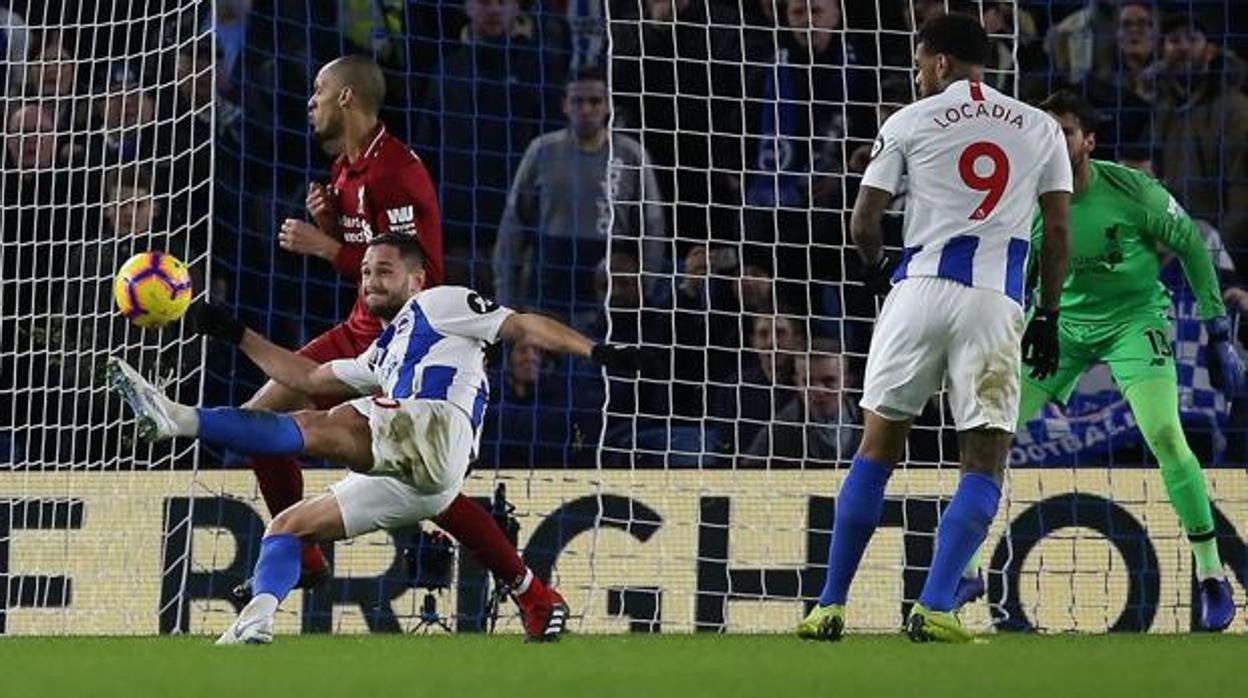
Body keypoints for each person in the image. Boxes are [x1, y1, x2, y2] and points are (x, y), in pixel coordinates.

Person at [108, 234, 643, 643]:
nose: (370, 280)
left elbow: (523, 325)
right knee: (290, 524)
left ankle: (178, 419)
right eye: (364, 272)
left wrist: (594, 352)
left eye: (384, 270)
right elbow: (307, 378)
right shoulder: (383, 352)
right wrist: (234, 332)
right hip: (427, 476)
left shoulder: (439, 304)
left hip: (437, 423)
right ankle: (256, 619)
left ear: (417, 279)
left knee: (323, 426)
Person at [796, 13, 1072, 643]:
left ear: (941, 63)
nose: (918, 75)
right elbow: (1057, 231)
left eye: (920, 64)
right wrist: (1050, 314)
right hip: (993, 303)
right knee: (984, 457)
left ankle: (830, 605)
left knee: (877, 447)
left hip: (915, 293)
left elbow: (864, 222)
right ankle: (937, 603)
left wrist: (874, 272)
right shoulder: (1041, 128)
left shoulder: (908, 120)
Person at [237, 55, 534, 620]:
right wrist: (330, 227)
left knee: (428, 487)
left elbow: (413, 277)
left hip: (411, 347)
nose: (310, 101)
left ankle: (528, 590)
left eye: (320, 90)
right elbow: (369, 264)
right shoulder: (347, 170)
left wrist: (323, 246)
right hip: (360, 332)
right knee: (260, 427)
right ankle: (304, 554)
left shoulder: (394, 172)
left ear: (347, 98)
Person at [956, 92, 1244, 631]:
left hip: (1135, 321)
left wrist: (1217, 329)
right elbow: (1014, 274)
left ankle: (1210, 573)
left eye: (1064, 131)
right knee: (992, 430)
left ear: (1088, 141)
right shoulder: (1022, 199)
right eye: (1044, 130)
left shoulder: (1134, 191)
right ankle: (966, 567)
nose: (1052, 140)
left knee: (1163, 431)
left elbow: (1192, 247)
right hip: (1060, 325)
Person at [492, 65, 666, 319]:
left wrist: (645, 292)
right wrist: (506, 298)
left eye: (594, 101)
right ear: (565, 105)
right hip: (548, 295)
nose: (586, 110)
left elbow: (654, 228)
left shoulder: (631, 155)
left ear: (608, 106)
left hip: (610, 299)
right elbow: (513, 225)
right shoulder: (541, 151)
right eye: (577, 101)